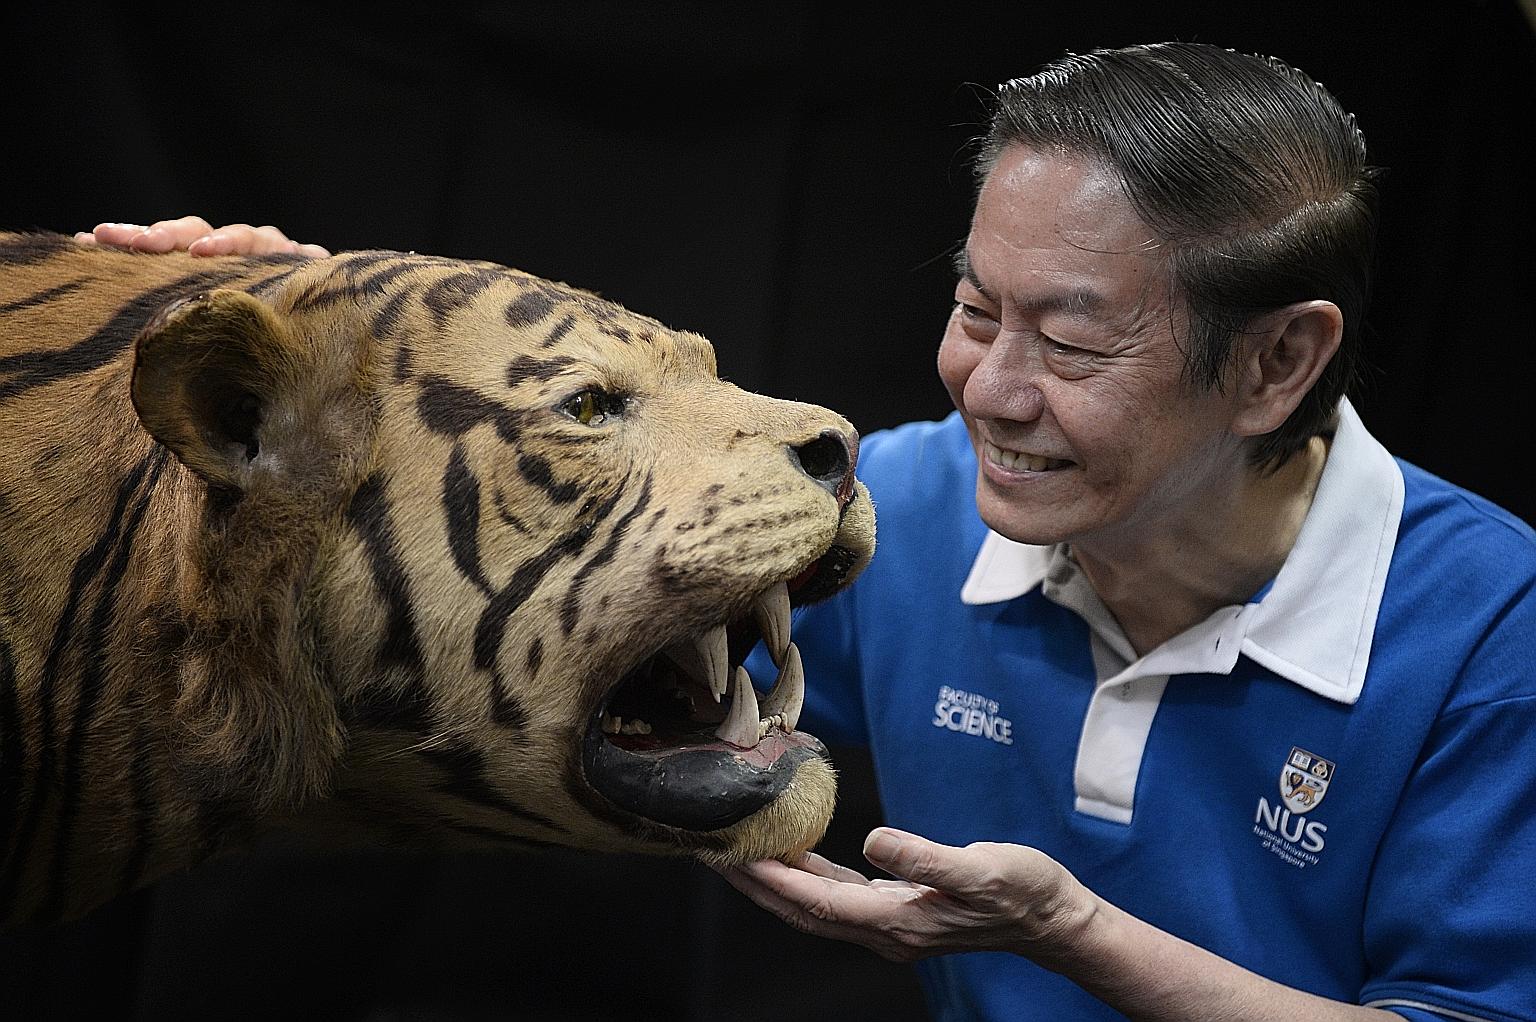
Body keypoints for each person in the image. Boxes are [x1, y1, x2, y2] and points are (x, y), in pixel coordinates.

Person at [83, 42, 1535, 1022]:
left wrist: (1064, 927)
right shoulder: (909, 509)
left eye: (1072, 343)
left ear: (1279, 363)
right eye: (977, 307)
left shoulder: (1487, 627)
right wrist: (301, 348)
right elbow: (500, 607)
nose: (990, 386)